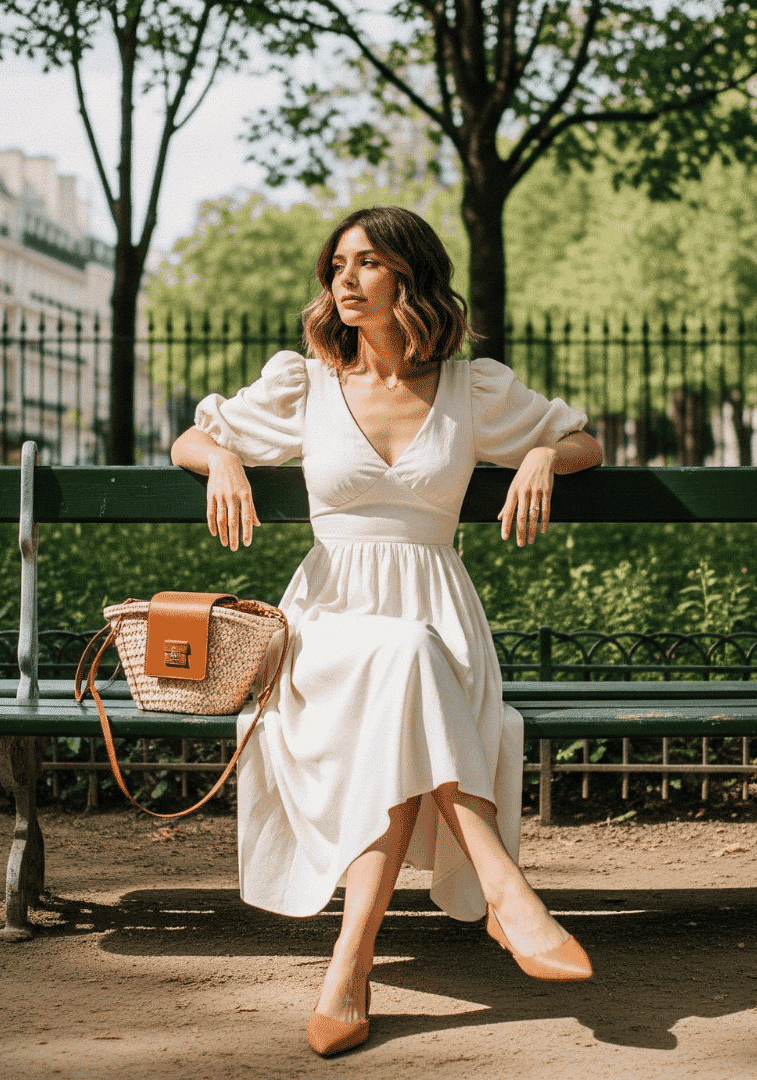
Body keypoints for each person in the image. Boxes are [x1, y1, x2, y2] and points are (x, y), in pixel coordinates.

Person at [169, 205, 604, 1056]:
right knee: (401, 664)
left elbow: (580, 438)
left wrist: (546, 455)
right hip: (327, 622)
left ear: (411, 275)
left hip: (436, 613)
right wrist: (220, 457)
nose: (344, 279)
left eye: (366, 262)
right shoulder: (305, 383)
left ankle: (350, 963)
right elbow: (195, 435)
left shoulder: (472, 388)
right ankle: (505, 889)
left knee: (405, 681)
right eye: (337, 265)